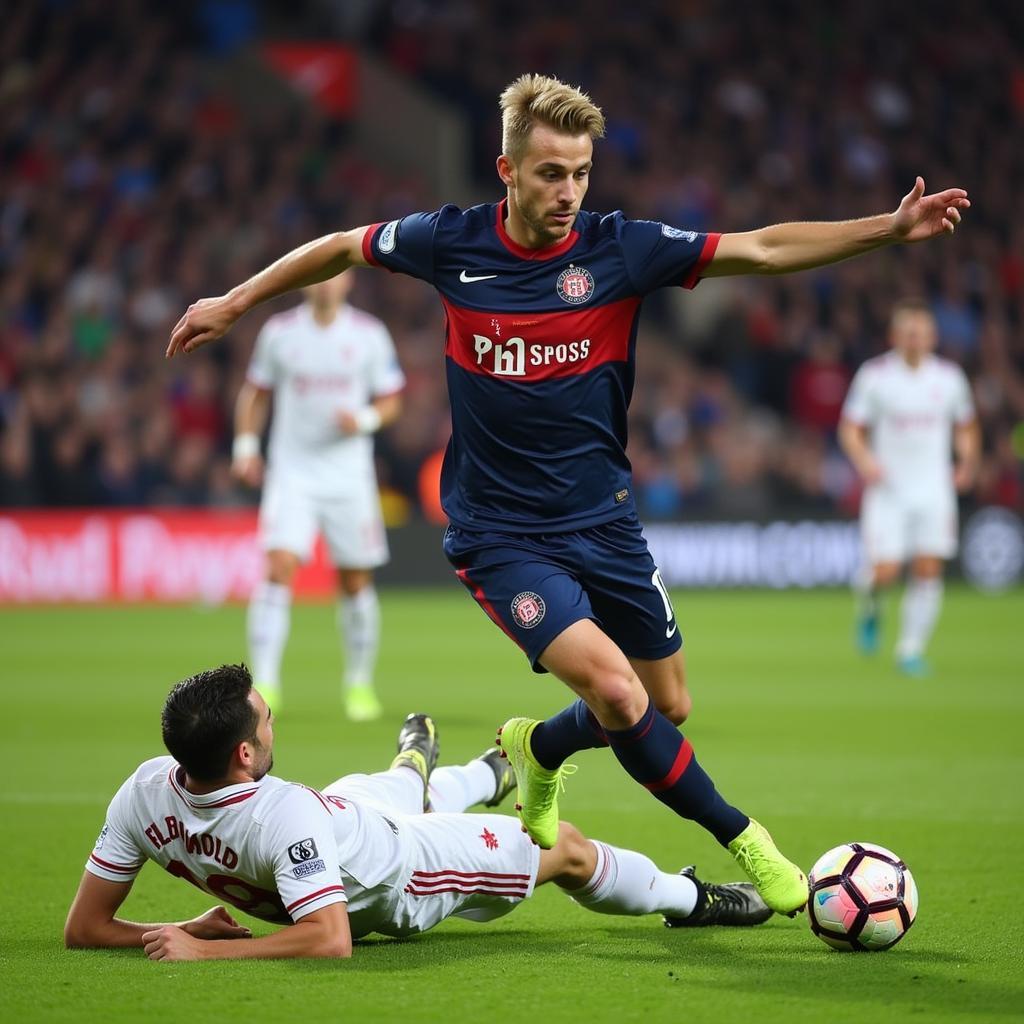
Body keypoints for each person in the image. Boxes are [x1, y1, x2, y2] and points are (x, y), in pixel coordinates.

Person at [166, 73, 970, 917]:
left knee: (668, 704)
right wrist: (238, 299)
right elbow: (339, 244)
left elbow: (762, 248)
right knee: (621, 696)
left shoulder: (619, 249)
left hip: (605, 522)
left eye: (581, 172)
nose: (570, 191)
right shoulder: (451, 242)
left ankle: (536, 746)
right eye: (551, 172)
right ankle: (751, 844)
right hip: (499, 535)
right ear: (507, 170)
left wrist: (887, 229)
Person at [64, 664, 772, 961]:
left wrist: (176, 927)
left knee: (395, 785)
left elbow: (87, 927)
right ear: (244, 756)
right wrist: (188, 941)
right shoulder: (281, 817)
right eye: (267, 721)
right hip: (405, 870)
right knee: (570, 850)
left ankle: (464, 769)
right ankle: (697, 899)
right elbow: (329, 939)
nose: (273, 723)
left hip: (343, 817)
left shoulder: (145, 789)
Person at [232, 273, 404, 721]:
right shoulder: (280, 333)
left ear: (348, 282)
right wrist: (246, 446)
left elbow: (391, 399)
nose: (326, 285)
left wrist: (364, 419)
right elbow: (256, 393)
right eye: (318, 279)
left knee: (354, 580)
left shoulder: (368, 335)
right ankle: (265, 682)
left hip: (349, 475)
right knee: (278, 566)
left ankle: (359, 684)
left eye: (335, 277)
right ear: (306, 283)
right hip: (292, 471)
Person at [838, 299, 979, 676]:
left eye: (922, 333)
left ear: (932, 337)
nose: (916, 339)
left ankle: (910, 649)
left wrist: (966, 463)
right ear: (895, 336)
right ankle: (870, 606)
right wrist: (866, 461)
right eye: (909, 333)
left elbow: (966, 426)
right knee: (885, 572)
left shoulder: (949, 378)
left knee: (928, 567)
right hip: (889, 490)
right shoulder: (875, 375)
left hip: (934, 488)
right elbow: (850, 428)